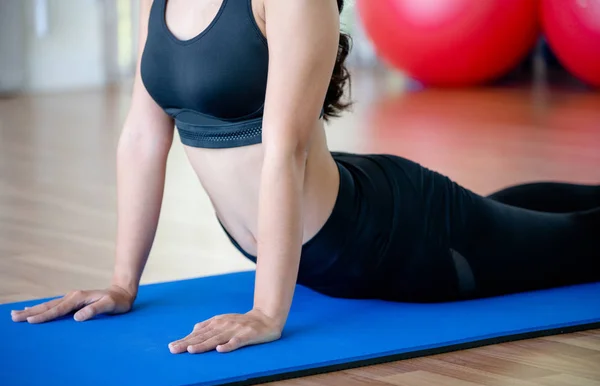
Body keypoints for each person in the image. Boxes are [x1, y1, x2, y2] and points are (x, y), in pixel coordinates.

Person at [10, 0, 600, 355]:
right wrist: (121, 283)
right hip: (341, 215)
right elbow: (143, 135)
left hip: (390, 239)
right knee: (508, 218)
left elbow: (284, 150)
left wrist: (268, 313)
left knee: (575, 244)